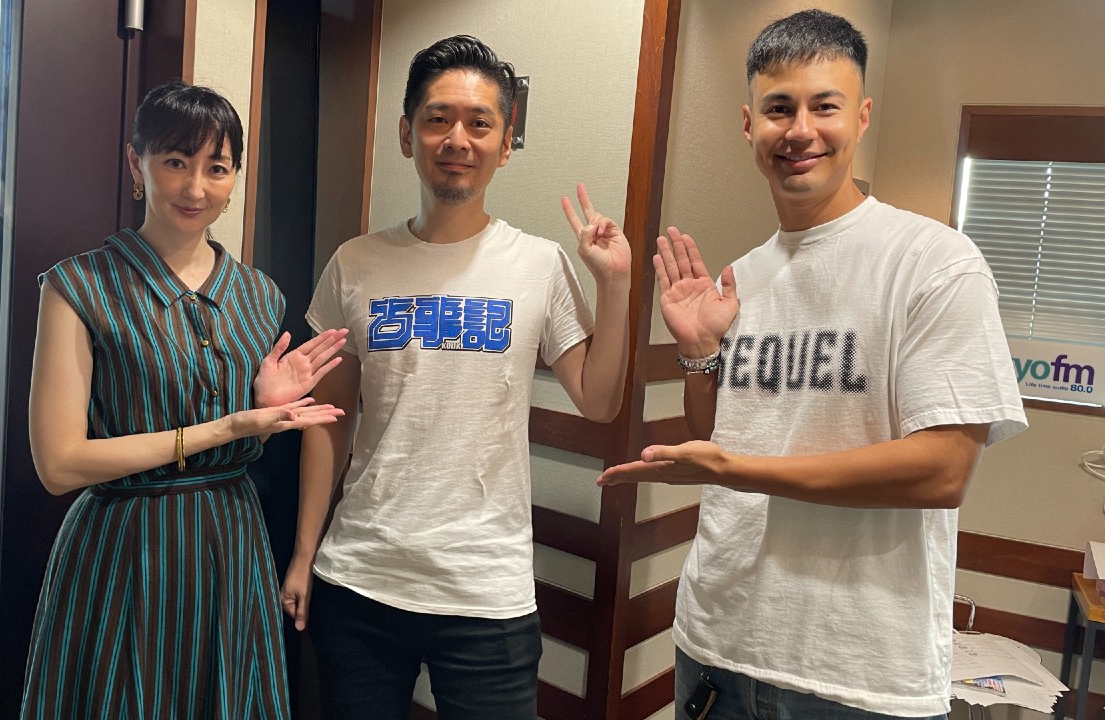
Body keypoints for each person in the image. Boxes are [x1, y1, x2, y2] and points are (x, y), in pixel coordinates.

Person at [600, 10, 1028, 720]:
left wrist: (737, 470)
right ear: (749, 127)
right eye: (779, 109)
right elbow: (717, 436)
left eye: (824, 106)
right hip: (718, 644)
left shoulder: (934, 263)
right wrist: (700, 355)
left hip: (862, 675)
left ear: (861, 117)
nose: (800, 130)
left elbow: (943, 471)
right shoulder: (742, 277)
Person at [281, 35, 631, 720]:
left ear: (505, 144)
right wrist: (302, 554)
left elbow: (598, 400)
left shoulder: (539, 264)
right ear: (406, 134)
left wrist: (615, 286)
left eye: (480, 123)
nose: (457, 139)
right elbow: (329, 420)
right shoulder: (355, 262)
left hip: (485, 589)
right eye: (438, 119)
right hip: (360, 577)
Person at [22, 81, 347, 720]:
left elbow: (255, 433)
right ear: (136, 164)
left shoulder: (259, 295)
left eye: (216, 168)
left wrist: (267, 412)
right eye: (175, 161)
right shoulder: (78, 285)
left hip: (232, 541)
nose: (195, 188)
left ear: (235, 178)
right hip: (123, 545)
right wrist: (225, 428)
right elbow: (57, 465)